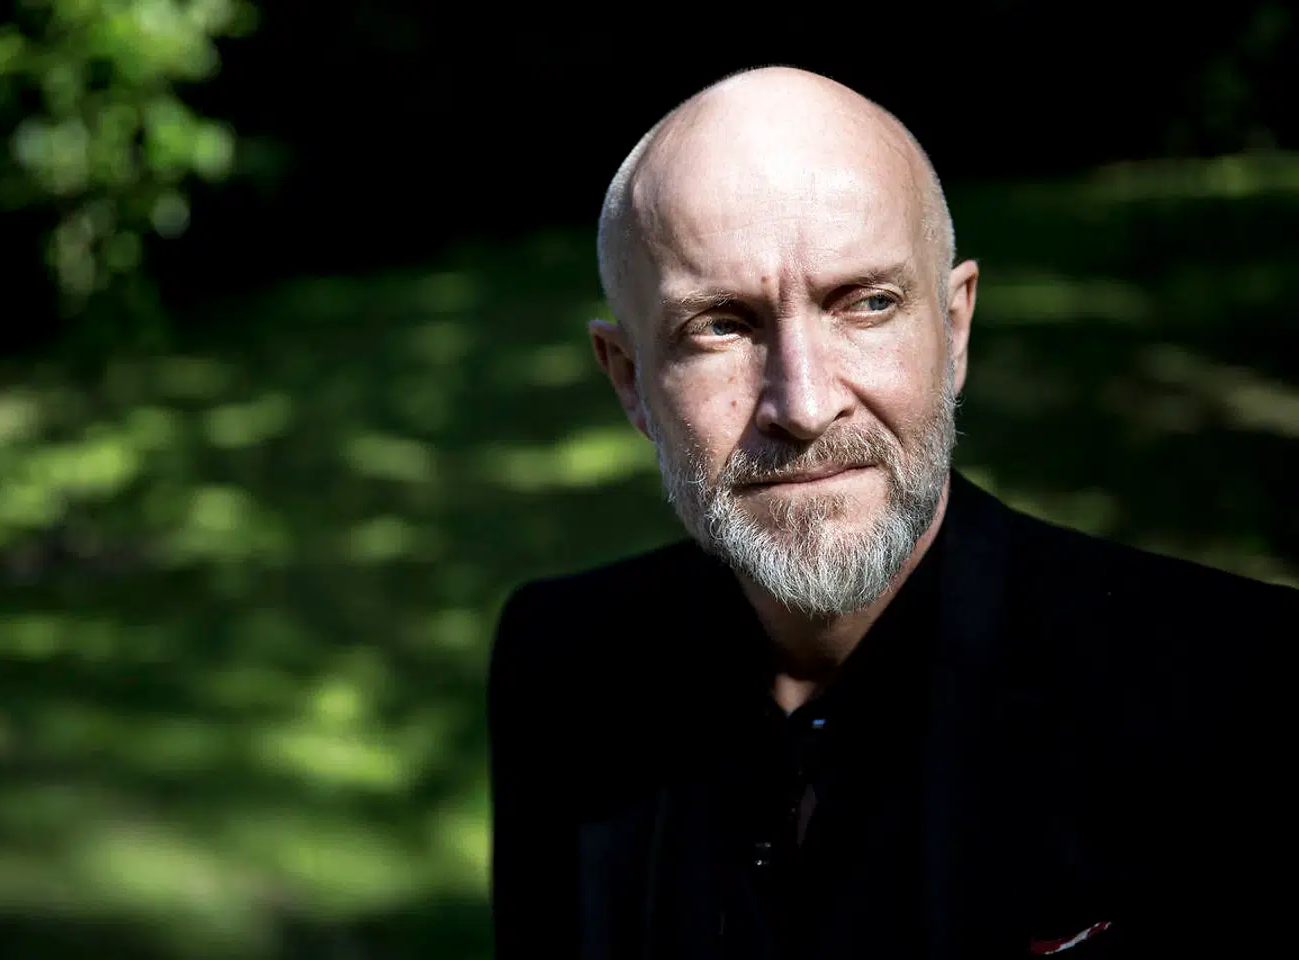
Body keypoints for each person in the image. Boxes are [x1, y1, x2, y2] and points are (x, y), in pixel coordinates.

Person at [486, 66, 1296, 960]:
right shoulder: (559, 665)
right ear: (630, 378)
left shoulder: (1238, 689)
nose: (803, 404)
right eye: (721, 325)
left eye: (866, 304)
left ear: (954, 329)